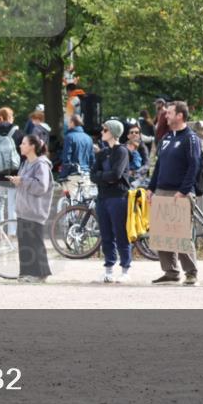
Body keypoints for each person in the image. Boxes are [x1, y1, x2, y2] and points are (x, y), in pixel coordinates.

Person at [148, 101, 202, 286]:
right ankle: (170, 271)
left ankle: (191, 272)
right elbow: (159, 166)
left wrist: (184, 190)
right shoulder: (166, 138)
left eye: (169, 112)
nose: (166, 115)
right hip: (162, 190)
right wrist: (151, 188)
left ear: (180, 115)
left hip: (180, 192)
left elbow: (194, 166)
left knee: (180, 234)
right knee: (162, 233)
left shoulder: (191, 138)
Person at [7, 133, 53, 282]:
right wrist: (18, 180)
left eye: (24, 143)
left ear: (32, 146)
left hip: (35, 210)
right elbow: (25, 182)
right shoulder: (26, 162)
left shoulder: (41, 164)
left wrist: (22, 180)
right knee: (25, 244)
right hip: (24, 210)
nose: (20, 145)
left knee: (35, 243)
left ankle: (40, 274)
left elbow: (41, 187)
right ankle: (27, 273)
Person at [90, 119, 132, 283]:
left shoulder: (122, 151)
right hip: (103, 197)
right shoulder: (102, 153)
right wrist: (104, 178)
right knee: (106, 234)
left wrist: (103, 177)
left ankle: (125, 269)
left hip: (118, 197)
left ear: (113, 132)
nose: (102, 132)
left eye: (105, 130)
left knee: (121, 233)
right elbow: (93, 175)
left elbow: (117, 174)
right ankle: (108, 268)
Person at [59, 114, 95, 178]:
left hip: (73, 175)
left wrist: (63, 176)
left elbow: (66, 159)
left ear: (72, 123)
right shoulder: (88, 138)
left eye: (68, 122)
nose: (67, 124)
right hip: (87, 174)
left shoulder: (69, 137)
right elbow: (92, 158)